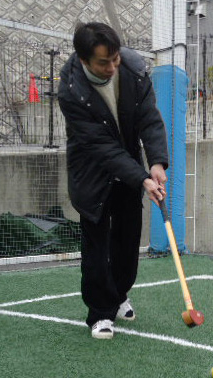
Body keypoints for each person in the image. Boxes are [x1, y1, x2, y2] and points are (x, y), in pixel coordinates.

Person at [58, 22, 169, 339]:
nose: (112, 67)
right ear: (84, 60)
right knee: (97, 246)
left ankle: (119, 294)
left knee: (127, 239)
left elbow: (149, 117)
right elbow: (101, 147)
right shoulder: (70, 90)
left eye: (115, 58)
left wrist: (157, 163)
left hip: (130, 168)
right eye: (103, 63)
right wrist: (143, 178)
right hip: (92, 171)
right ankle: (99, 313)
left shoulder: (133, 69)